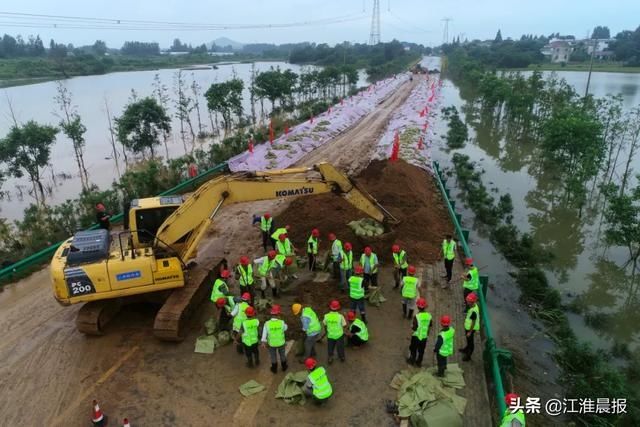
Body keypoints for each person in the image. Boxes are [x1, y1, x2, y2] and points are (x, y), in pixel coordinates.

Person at [261, 304, 288, 373]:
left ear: (271, 314)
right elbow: (285, 328)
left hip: (272, 344)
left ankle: (274, 369)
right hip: (281, 343)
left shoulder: (267, 323)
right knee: (282, 355)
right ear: (278, 314)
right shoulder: (282, 322)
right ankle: (284, 367)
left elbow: (264, 334)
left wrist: (263, 342)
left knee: (273, 356)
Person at [407, 297, 431, 367]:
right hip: (424, 337)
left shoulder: (417, 316)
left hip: (416, 337)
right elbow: (430, 325)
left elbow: (415, 327)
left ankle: (412, 360)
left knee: (413, 348)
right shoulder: (429, 316)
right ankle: (419, 362)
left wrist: (412, 327)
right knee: (421, 351)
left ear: (418, 306)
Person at [460, 292, 480, 361]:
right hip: (468, 327)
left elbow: (473, 322)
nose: (467, 302)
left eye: (468, 302)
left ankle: (468, 356)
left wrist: (470, 332)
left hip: (470, 329)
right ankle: (466, 349)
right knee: (468, 341)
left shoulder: (474, 311)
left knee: (471, 342)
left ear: (472, 302)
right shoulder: (473, 306)